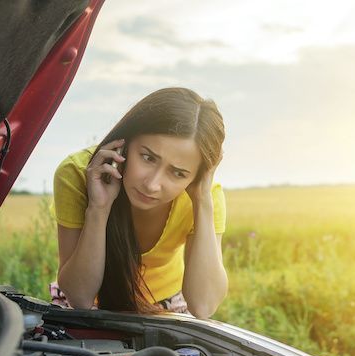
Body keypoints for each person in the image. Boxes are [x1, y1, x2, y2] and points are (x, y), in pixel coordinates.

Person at [50, 87, 227, 318]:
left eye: (178, 173)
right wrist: (99, 209)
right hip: (87, 307)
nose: (153, 184)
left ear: (197, 176)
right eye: (147, 157)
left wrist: (202, 200)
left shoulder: (202, 195)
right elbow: (80, 298)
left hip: (166, 304)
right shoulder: (78, 173)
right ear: (126, 142)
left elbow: (203, 306)